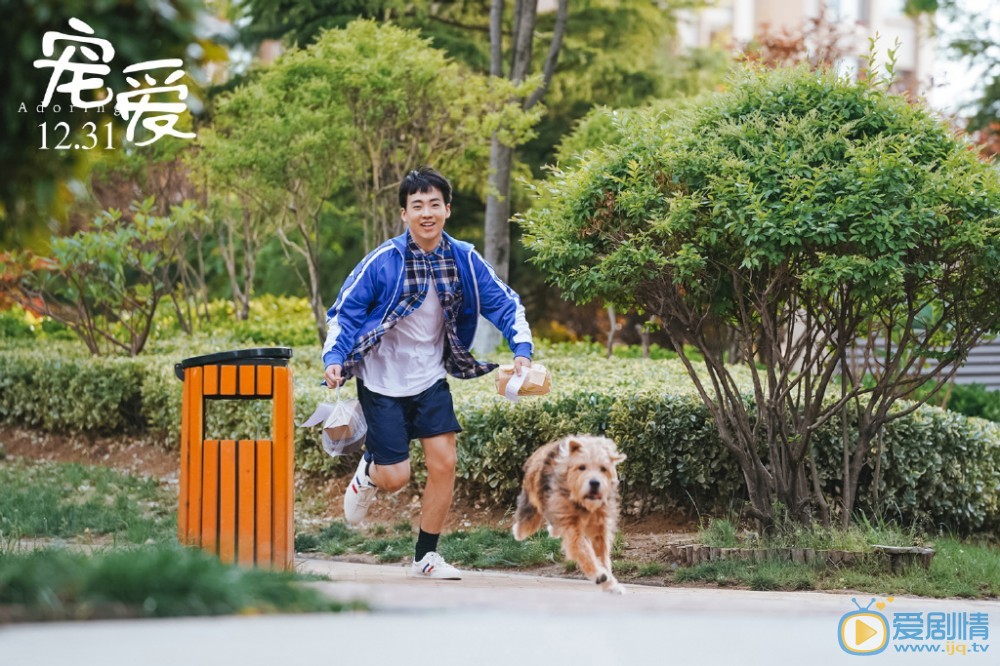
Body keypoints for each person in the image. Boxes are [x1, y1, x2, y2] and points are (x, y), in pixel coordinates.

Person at [322, 167, 533, 580]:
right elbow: (343, 313)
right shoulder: (384, 261)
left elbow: (506, 304)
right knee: (396, 478)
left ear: (447, 210)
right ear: (404, 214)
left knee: (444, 462)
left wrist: (521, 349)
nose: (426, 213)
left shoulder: (463, 259)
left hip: (430, 378)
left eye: (434, 204)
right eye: (416, 206)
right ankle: (368, 471)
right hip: (381, 382)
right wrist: (335, 356)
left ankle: (425, 557)